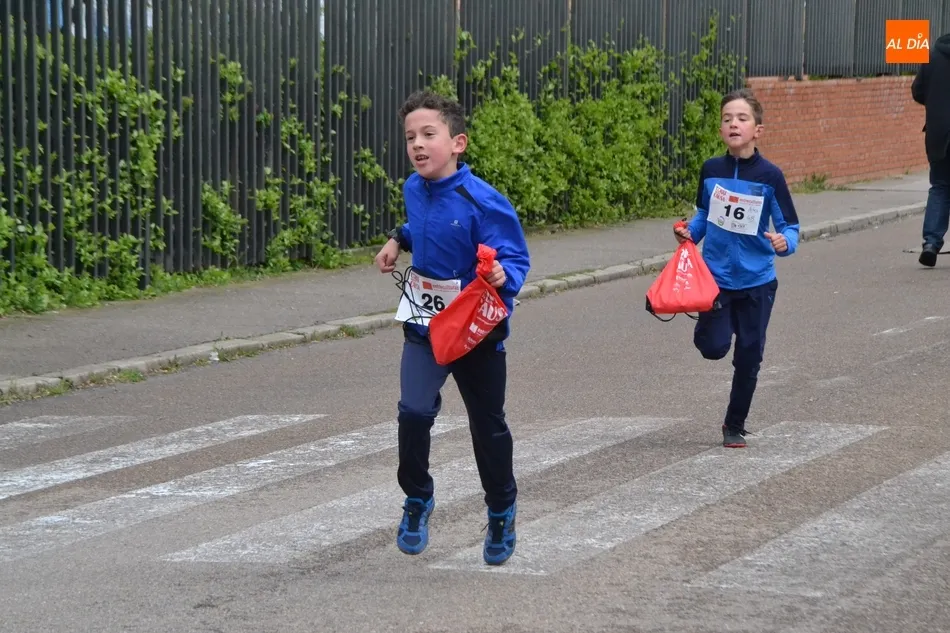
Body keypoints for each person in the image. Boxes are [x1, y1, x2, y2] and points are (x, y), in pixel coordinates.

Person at [373, 90, 530, 565]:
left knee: (487, 425)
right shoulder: (412, 188)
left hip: (475, 330)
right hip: (425, 323)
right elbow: (422, 224)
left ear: (457, 143)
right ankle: (418, 497)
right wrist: (397, 239)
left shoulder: (483, 200)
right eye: (410, 138)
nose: (417, 145)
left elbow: (515, 256)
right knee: (413, 412)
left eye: (428, 134)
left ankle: (501, 509)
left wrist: (503, 274)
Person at [673, 88, 800, 448]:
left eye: (742, 118)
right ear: (720, 130)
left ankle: (734, 424)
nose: (733, 124)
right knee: (713, 347)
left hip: (758, 280)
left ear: (757, 130)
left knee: (749, 355)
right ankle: (708, 331)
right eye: (727, 118)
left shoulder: (770, 176)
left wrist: (785, 242)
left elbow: (790, 226)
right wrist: (689, 233)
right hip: (716, 278)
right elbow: (704, 214)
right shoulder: (711, 170)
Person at [911, 32, 950, 267]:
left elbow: (917, 91)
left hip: (938, 134)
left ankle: (931, 244)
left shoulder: (933, 57)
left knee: (940, 187)